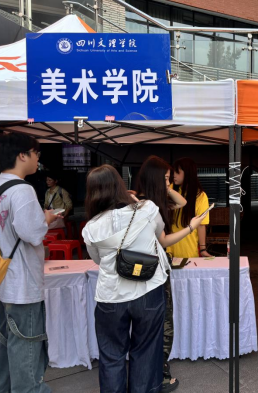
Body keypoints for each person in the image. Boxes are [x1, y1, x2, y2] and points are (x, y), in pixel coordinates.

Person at [82, 165, 207, 393]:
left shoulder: (90, 228)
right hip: (148, 290)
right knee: (147, 352)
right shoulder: (147, 209)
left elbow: (98, 260)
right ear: (120, 185)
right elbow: (160, 235)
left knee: (111, 356)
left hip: (111, 296)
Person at [0, 133, 60, 393]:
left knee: (1, 341)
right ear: (22, 155)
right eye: (36, 153)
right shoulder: (23, 189)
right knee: (26, 346)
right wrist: (47, 219)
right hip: (22, 282)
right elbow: (32, 233)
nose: (38, 159)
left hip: (1, 279)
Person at [135, 156, 186, 391]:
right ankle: (161, 375)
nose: (169, 183)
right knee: (163, 320)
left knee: (151, 321)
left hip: (144, 266)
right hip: (156, 267)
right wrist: (191, 227)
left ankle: (151, 372)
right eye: (165, 178)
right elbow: (163, 240)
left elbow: (182, 202)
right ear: (155, 178)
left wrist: (165, 187)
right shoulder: (148, 206)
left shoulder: (142, 201)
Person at [168, 158, 210, 258]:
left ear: (188, 173)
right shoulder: (170, 189)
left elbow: (201, 225)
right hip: (168, 246)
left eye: (177, 172)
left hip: (188, 248)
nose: (174, 175)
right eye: (174, 172)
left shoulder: (200, 196)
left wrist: (203, 249)